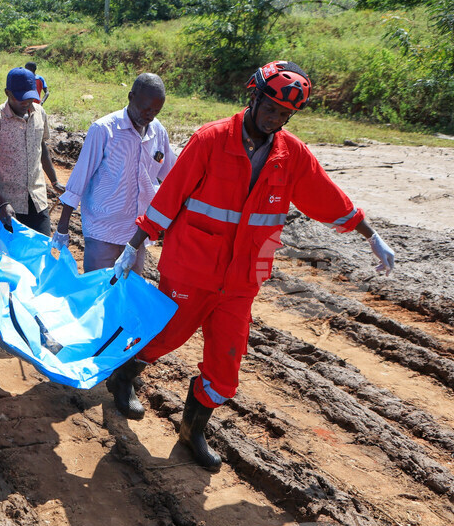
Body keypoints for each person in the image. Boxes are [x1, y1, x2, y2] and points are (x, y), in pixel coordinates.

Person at [110, 61, 397, 471]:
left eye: (284, 114)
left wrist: (370, 234)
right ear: (255, 97)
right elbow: (170, 195)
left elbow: (327, 196)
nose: (274, 118)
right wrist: (133, 244)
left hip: (243, 278)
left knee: (225, 367)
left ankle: (192, 432)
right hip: (192, 266)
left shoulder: (291, 155)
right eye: (271, 108)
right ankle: (123, 376)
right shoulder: (211, 139)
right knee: (165, 336)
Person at [54, 73, 176, 276]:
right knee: (99, 288)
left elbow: (172, 175)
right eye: (145, 109)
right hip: (103, 229)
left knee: (128, 291)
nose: (150, 116)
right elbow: (79, 178)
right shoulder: (104, 130)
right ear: (131, 97)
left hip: (137, 235)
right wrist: (63, 225)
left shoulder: (158, 131)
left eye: (156, 111)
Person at [0, 67, 64, 235]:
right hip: (7, 205)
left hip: (37, 199)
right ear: (7, 93)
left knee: (41, 246)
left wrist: (54, 181)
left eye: (30, 98)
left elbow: (42, 148)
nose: (26, 103)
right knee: (10, 251)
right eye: (20, 99)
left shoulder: (39, 113)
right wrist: (2, 203)